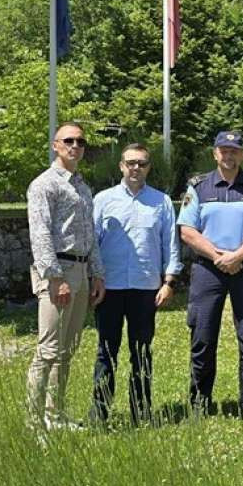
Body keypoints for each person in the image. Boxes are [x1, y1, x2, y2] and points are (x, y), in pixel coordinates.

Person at [178, 131, 243, 420]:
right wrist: (219, 256)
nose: (229, 155)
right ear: (215, 154)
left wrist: (237, 256)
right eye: (224, 150)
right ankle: (199, 405)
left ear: (242, 155)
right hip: (208, 270)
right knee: (202, 337)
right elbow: (187, 231)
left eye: (234, 151)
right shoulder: (198, 186)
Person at [91, 142, 182, 426]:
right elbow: (92, 243)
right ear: (121, 166)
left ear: (148, 168)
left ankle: (140, 413)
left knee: (141, 353)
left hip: (146, 287)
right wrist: (94, 278)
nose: (135, 168)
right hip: (109, 287)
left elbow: (170, 243)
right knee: (106, 352)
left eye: (141, 163)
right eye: (130, 163)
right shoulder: (103, 200)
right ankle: (99, 414)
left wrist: (169, 282)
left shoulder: (161, 202)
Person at [26, 122, 106, 431]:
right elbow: (40, 233)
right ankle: (34, 423)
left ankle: (54, 415)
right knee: (47, 351)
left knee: (66, 351)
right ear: (55, 145)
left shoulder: (82, 187)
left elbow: (90, 234)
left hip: (82, 272)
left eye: (81, 142)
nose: (75, 146)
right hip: (58, 271)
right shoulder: (44, 185)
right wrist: (55, 278)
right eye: (69, 140)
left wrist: (97, 273)